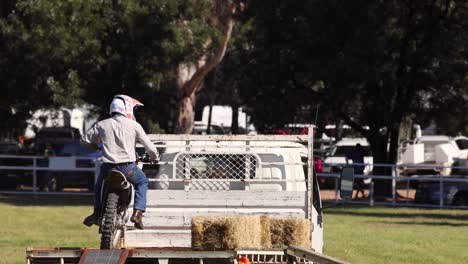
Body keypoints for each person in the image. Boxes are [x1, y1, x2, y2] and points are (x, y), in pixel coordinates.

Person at [81, 95, 159, 230]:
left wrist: (95, 147)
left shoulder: (102, 124)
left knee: (99, 187)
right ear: (125, 110)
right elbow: (150, 148)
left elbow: (84, 140)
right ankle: (138, 213)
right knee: (142, 182)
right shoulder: (134, 125)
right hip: (127, 168)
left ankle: (96, 213)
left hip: (108, 168)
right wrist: (155, 158)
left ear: (111, 110)